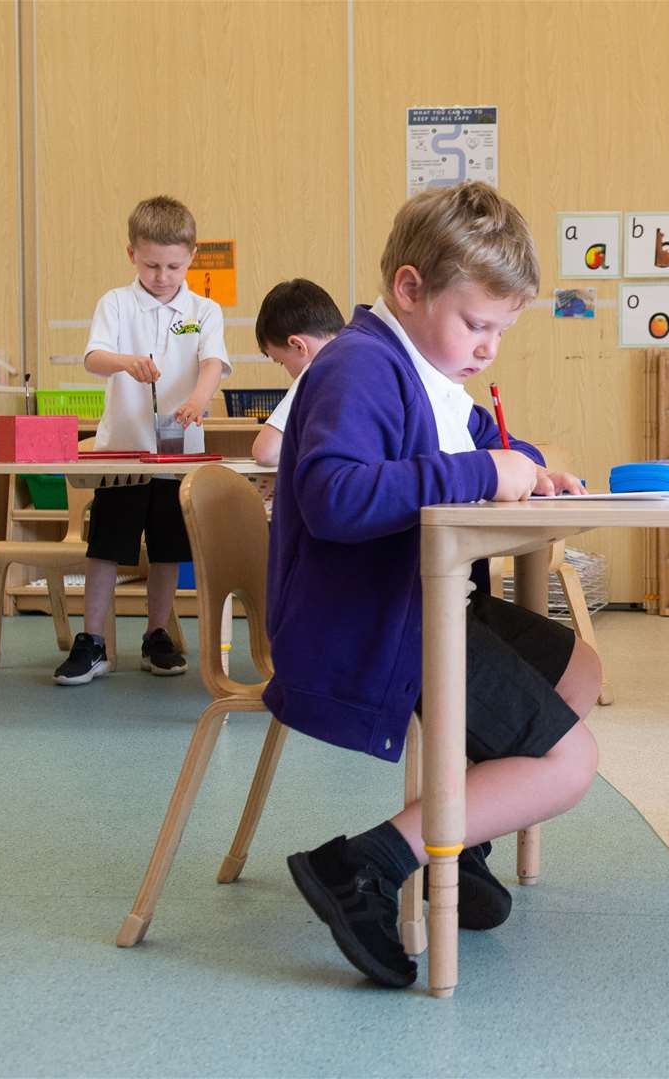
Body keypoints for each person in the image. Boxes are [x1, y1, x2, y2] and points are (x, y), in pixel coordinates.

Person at [267, 181, 600, 987]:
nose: (487, 348)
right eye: (476, 324)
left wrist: (533, 473)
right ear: (409, 289)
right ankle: (366, 864)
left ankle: (458, 836)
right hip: (367, 623)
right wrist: (485, 470)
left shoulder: (427, 372)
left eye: (499, 330)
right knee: (568, 764)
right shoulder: (362, 368)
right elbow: (333, 495)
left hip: (419, 602)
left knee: (579, 668)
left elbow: (477, 443)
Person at [55, 196, 229, 686]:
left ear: (191, 256)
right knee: (107, 546)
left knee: (169, 548)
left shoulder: (205, 310)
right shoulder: (115, 303)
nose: (162, 275)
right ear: (131, 254)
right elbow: (93, 357)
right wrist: (125, 362)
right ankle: (92, 641)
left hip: (178, 457)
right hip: (122, 451)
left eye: (173, 265)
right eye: (151, 264)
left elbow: (212, 362)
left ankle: (157, 634)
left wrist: (197, 399)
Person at [250, 279, 344, 466]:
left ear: (298, 345)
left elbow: (266, 452)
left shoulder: (321, 367)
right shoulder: (366, 353)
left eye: (281, 362)